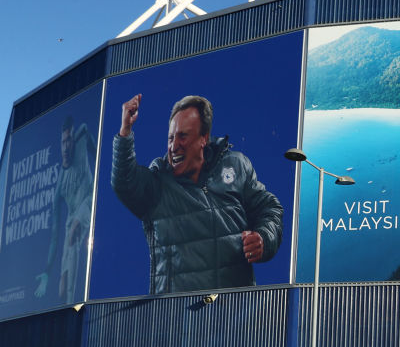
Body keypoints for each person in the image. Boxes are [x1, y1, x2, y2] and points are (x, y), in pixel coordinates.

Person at [112, 94, 284, 294]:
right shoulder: (157, 181)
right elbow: (124, 182)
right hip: (175, 316)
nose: (174, 146)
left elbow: (270, 209)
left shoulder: (236, 165)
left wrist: (264, 238)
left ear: (204, 138)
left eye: (183, 136)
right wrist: (125, 132)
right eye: (170, 137)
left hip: (235, 315)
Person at [35, 116, 94, 304]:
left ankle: (75, 303)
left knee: (74, 232)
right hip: (71, 219)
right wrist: (46, 272)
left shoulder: (82, 135)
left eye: (69, 141)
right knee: (61, 289)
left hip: (88, 199)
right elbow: (54, 235)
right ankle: (68, 307)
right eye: (63, 142)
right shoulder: (60, 185)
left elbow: (98, 150)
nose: (66, 146)